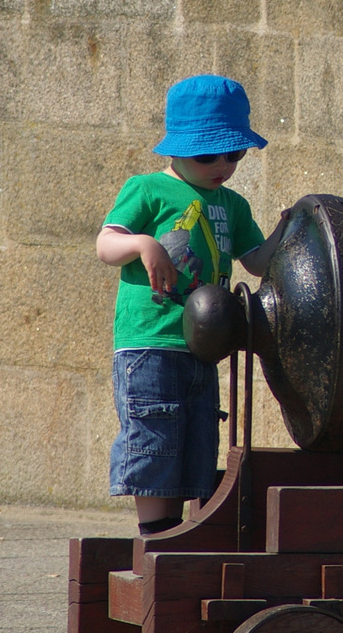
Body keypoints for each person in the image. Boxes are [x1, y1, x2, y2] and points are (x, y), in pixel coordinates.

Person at [95, 74, 290, 535]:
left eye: (234, 154)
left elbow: (258, 262)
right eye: (207, 155)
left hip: (202, 345)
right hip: (151, 342)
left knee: (195, 441)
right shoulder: (147, 190)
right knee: (155, 439)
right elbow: (106, 244)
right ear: (175, 150)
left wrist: (288, 228)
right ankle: (156, 538)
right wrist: (143, 244)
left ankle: (176, 534)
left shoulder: (233, 205)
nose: (221, 164)